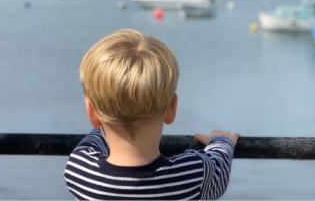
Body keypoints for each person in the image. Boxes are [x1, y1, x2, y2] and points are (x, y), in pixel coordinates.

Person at [64, 29, 238, 201]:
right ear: (171, 108)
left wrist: (107, 118)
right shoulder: (193, 174)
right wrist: (222, 141)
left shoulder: (79, 172)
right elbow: (219, 165)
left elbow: (90, 144)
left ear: (91, 112)